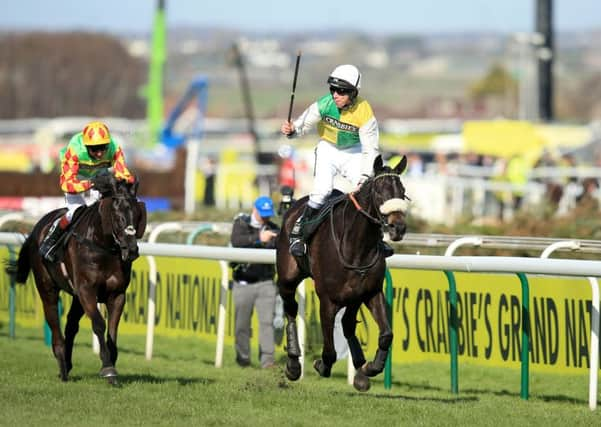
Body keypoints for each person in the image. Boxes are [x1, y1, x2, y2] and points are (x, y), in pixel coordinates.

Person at [280, 64, 392, 257]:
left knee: (368, 190)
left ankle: (377, 238)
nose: (335, 95)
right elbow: (302, 125)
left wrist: (364, 177)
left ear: (353, 93)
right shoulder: (324, 104)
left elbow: (370, 149)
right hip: (328, 149)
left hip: (354, 152)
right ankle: (299, 234)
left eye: (341, 91)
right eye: (333, 89)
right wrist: (292, 130)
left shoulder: (364, 112)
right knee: (321, 192)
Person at [39, 121, 135, 262]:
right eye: (95, 149)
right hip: (77, 178)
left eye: (103, 147)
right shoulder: (75, 150)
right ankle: (51, 240)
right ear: (86, 146)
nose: (100, 153)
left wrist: (126, 180)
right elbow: (66, 184)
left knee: (114, 208)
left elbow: (123, 173)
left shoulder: (114, 148)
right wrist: (91, 183)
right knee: (75, 212)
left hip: (99, 174)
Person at [230, 196, 280, 368]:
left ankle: (268, 361)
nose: (266, 218)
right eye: (263, 214)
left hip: (266, 283)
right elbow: (237, 242)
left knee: (267, 323)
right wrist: (259, 239)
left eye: (268, 215)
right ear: (255, 210)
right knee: (241, 325)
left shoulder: (274, 229)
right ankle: (243, 358)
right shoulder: (241, 224)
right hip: (243, 282)